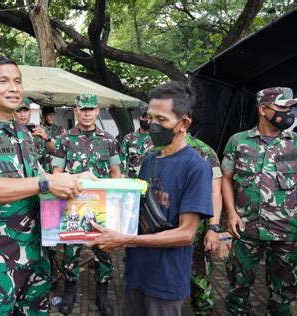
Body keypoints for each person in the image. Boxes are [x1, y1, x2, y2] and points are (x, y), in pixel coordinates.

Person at [0, 55, 91, 315]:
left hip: (36, 256)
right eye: (3, 81)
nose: (13, 88)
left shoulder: (24, 134)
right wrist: (46, 182)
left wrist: (75, 179)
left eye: (17, 81)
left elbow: (40, 183)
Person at [88, 81, 213, 316]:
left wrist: (123, 239)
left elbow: (186, 234)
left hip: (165, 279)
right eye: (150, 117)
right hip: (136, 273)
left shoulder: (195, 167)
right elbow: (137, 212)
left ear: (183, 123)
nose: (153, 125)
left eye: (162, 120)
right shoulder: (149, 160)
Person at [222, 87, 297, 315]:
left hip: (286, 232)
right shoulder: (238, 141)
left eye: (290, 108)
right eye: (282, 107)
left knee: (283, 295)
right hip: (245, 229)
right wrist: (231, 213)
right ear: (263, 109)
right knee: (238, 289)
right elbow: (226, 179)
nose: (288, 113)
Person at [52, 93, 121, 316]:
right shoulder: (64, 140)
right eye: (83, 109)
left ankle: (103, 293)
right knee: (71, 250)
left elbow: (116, 174)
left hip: (101, 207)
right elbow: (56, 174)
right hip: (73, 205)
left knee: (103, 250)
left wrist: (117, 208)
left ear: (98, 111)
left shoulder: (109, 140)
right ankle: (70, 290)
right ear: (75, 111)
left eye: (91, 109)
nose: (87, 113)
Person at [185, 132, 222, 315]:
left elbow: (215, 192)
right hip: (162, 232)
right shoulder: (154, 151)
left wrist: (214, 228)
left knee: (200, 286)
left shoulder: (205, 151)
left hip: (197, 234)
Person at [13, 98, 55, 172]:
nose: (22, 115)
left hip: (41, 175)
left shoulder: (41, 129)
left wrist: (47, 139)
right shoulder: (9, 131)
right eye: (18, 111)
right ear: (13, 112)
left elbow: (55, 150)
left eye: (25, 110)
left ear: (30, 111)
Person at [119, 109, 153, 178]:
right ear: (139, 119)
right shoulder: (129, 138)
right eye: (145, 117)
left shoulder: (158, 139)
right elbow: (121, 161)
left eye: (149, 117)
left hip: (151, 181)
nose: (147, 120)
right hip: (132, 181)